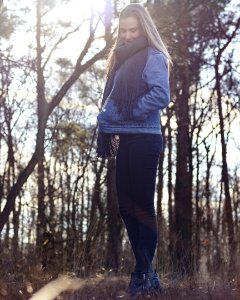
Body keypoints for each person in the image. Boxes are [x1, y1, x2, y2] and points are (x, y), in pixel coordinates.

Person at [96, 3, 171, 297]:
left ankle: (142, 274)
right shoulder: (122, 59)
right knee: (127, 208)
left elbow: (161, 94)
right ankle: (147, 273)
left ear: (144, 28)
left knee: (142, 208)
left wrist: (130, 112)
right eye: (123, 30)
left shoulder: (153, 56)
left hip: (145, 139)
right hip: (127, 140)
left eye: (133, 30)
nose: (127, 36)